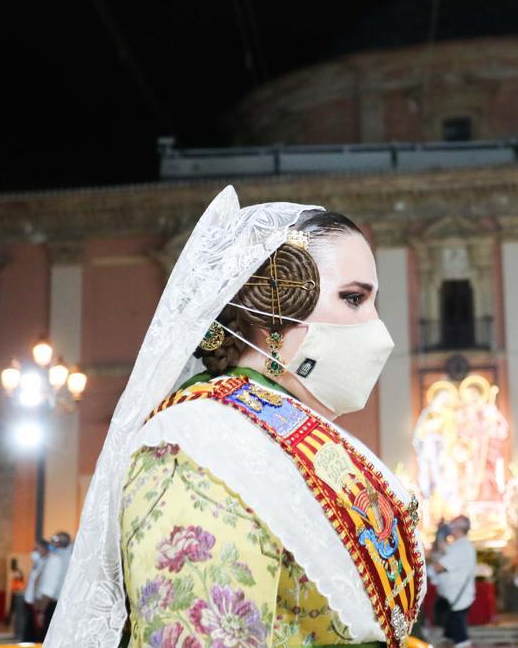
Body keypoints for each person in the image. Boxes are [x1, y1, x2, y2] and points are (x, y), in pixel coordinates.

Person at [44, 188, 424, 647]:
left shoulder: (265, 429)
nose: (375, 327)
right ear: (279, 304)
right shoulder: (192, 448)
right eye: (353, 298)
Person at [431, 516, 476, 648]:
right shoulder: (457, 546)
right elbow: (440, 550)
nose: (449, 527)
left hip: (457, 600)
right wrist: (439, 534)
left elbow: (438, 566)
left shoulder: (462, 547)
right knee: (450, 639)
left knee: (461, 640)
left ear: (458, 528)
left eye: (452, 525)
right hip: (451, 599)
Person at [20, 540, 48, 643]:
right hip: (29, 602)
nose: (34, 552)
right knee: (28, 633)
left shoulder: (46, 563)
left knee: (34, 634)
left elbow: (39, 584)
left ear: (45, 548)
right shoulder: (38, 563)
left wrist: (37, 602)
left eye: (37, 548)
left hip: (36, 603)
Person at [6, 559, 24, 639]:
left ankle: (18, 633)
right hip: (14, 598)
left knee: (18, 616)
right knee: (13, 615)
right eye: (15, 574)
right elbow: (13, 590)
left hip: (19, 598)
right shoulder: (14, 581)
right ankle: (14, 632)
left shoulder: (22, 582)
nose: (16, 575)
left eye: (18, 574)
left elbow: (21, 589)